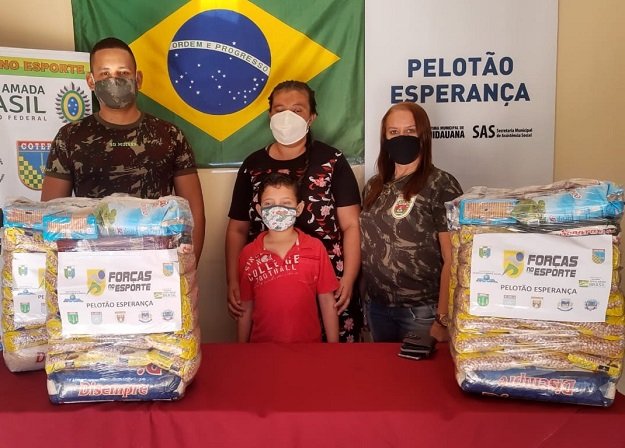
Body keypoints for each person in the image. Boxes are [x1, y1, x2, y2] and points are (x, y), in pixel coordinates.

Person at [41, 37, 205, 265]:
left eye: (123, 72)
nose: (114, 79)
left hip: (158, 265)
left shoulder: (169, 135)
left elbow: (193, 210)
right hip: (90, 267)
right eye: (105, 74)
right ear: (90, 81)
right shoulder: (70, 137)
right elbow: (51, 212)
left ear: (138, 79)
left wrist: (187, 267)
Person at [226, 80, 362, 342]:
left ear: (312, 117)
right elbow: (237, 229)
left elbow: (351, 225)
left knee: (330, 358)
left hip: (329, 283)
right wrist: (233, 280)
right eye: (280, 109)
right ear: (270, 115)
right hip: (268, 282)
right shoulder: (252, 165)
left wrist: (349, 277)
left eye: (297, 110)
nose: (287, 116)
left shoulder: (332, 161)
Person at [360, 102, 462, 342]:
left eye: (410, 131)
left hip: (422, 311)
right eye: (393, 132)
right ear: (385, 137)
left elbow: (453, 257)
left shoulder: (441, 184)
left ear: (423, 135)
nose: (401, 137)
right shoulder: (374, 186)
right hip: (377, 308)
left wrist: (442, 318)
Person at [237, 173, 340, 343]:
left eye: (286, 203)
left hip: (308, 348)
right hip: (262, 349)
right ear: (259, 210)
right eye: (269, 204)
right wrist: (241, 349)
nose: (277, 209)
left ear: (299, 209)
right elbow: (245, 308)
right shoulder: (248, 254)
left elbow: (327, 302)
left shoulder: (315, 248)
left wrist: (333, 348)